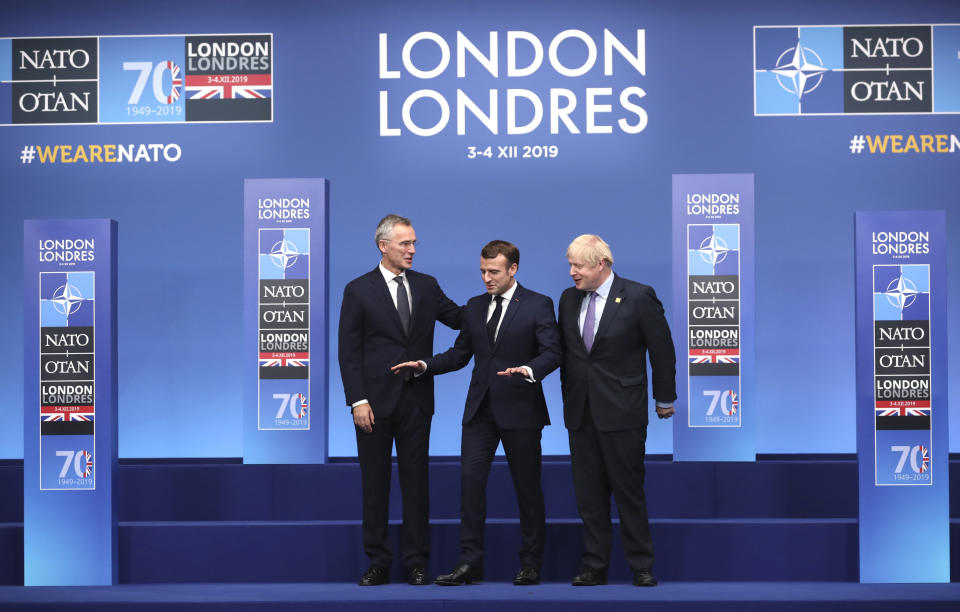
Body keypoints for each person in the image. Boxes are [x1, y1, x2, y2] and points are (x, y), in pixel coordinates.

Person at [392, 240, 561, 586]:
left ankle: (530, 564)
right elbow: (459, 354)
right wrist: (424, 364)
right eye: (483, 271)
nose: (487, 278)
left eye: (494, 271)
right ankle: (470, 563)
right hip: (479, 412)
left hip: (521, 409)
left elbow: (553, 352)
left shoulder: (538, 304)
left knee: (527, 489)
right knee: (470, 487)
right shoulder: (474, 306)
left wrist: (528, 371)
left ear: (513, 269)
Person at [338, 214, 462, 586]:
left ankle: (416, 563)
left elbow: (458, 318)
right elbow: (349, 351)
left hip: (417, 400)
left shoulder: (426, 286)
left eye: (413, 243)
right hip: (373, 404)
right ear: (383, 246)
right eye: (405, 243)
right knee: (375, 486)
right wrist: (357, 400)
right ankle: (378, 562)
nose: (411, 250)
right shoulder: (358, 289)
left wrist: (500, 300)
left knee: (416, 485)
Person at [558, 234, 677, 587]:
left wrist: (664, 397)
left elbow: (662, 350)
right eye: (570, 265)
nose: (571, 273)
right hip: (580, 412)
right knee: (589, 495)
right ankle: (594, 566)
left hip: (623, 411)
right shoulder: (568, 300)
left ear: (601, 265)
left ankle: (641, 565)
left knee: (628, 491)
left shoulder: (639, 296)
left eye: (578, 266)